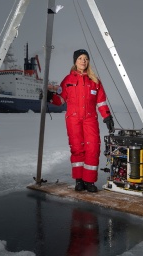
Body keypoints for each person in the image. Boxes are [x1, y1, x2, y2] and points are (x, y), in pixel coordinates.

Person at [47, 49, 115, 192]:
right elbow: (60, 100)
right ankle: (79, 181)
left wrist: (107, 116)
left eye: (85, 58)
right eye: (80, 58)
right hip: (73, 119)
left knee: (93, 148)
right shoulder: (68, 80)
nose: (83, 61)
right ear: (75, 61)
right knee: (77, 149)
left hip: (90, 119)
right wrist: (49, 97)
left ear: (88, 61)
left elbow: (101, 102)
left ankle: (89, 181)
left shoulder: (95, 81)